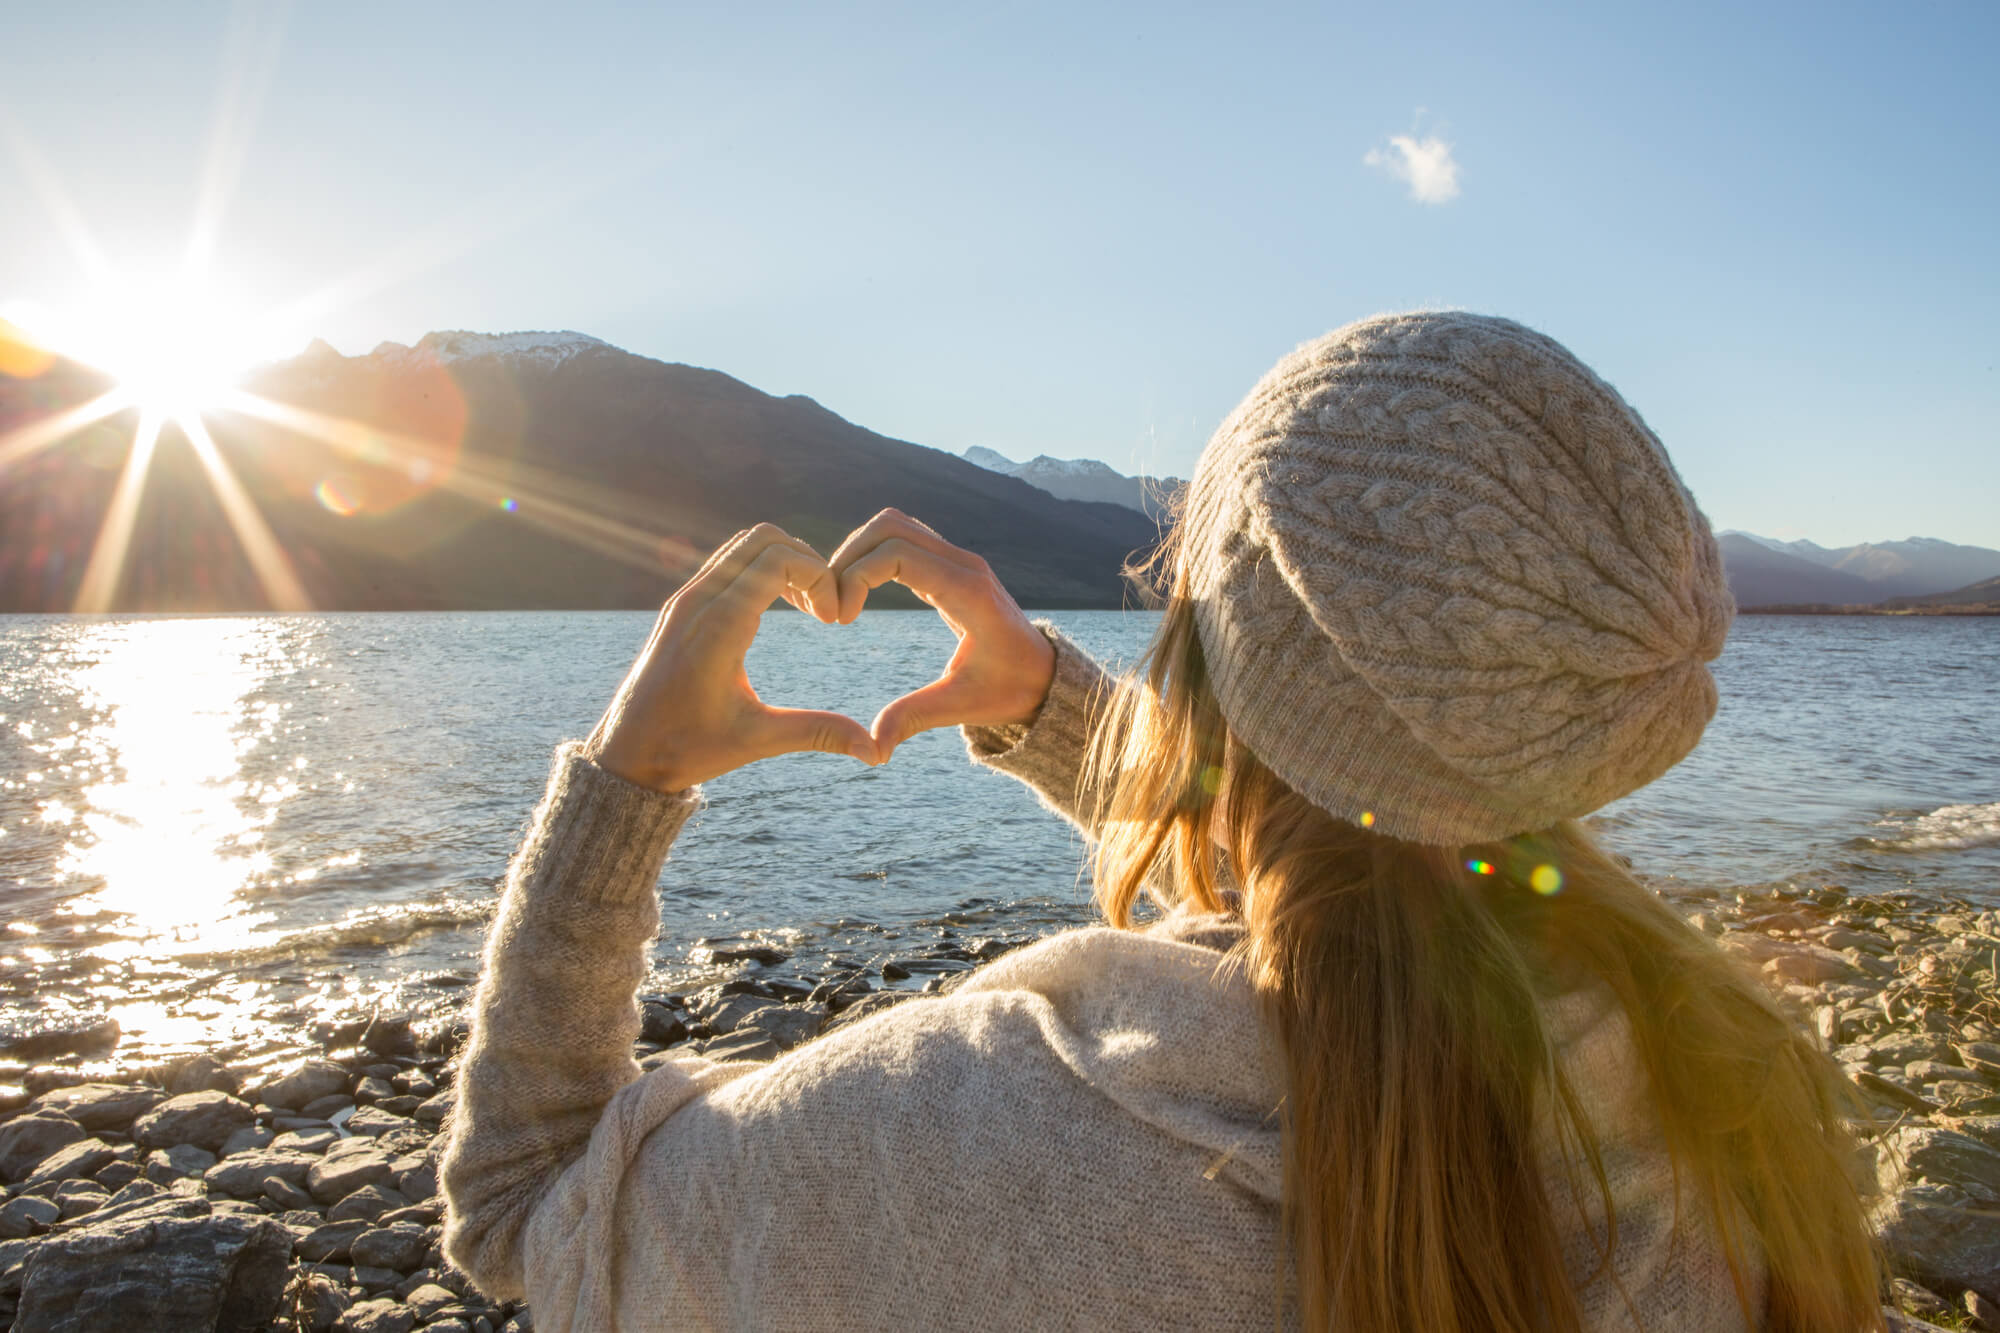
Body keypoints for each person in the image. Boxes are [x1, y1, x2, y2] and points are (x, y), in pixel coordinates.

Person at [439, 311, 1882, 1331]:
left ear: (1200, 658)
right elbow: (1358, 853)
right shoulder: (1744, 1098)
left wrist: (631, 781)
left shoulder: (970, 1126)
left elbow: (529, 1211)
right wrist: (1060, 708)